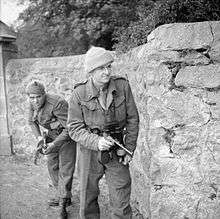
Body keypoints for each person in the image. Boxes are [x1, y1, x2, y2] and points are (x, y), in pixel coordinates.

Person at [67, 46, 139, 219]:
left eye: (109, 66)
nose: (107, 72)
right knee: (87, 197)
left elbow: (132, 120)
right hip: (89, 152)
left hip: (117, 149)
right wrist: (96, 141)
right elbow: (74, 128)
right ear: (91, 71)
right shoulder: (79, 93)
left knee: (121, 197)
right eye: (101, 68)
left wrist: (128, 149)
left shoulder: (122, 86)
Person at [26, 81, 76, 219]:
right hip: (51, 136)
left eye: (38, 97)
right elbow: (31, 121)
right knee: (52, 167)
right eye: (32, 97)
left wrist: (54, 144)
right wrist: (39, 139)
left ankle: (63, 204)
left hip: (66, 137)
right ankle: (63, 195)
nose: (35, 100)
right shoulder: (32, 104)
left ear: (44, 94)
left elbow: (69, 128)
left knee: (66, 169)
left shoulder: (57, 103)